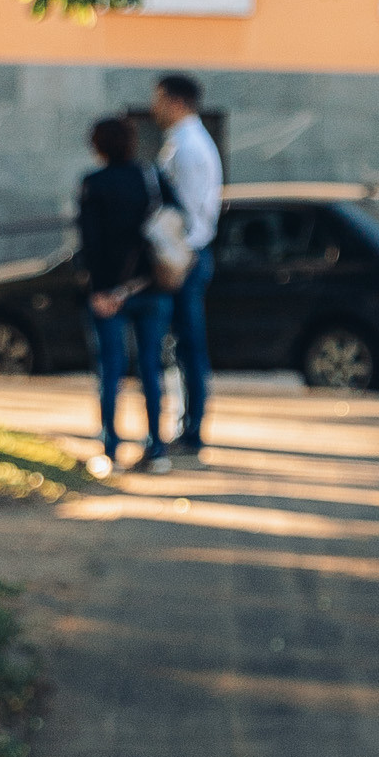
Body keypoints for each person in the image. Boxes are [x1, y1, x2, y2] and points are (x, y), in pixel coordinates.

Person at [77, 117, 170, 476]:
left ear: (98, 146)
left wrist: (101, 291)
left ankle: (110, 450)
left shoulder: (94, 183)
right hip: (152, 286)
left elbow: (91, 243)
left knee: (111, 369)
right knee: (151, 368)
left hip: (108, 293)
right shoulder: (150, 178)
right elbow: (173, 222)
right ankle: (157, 449)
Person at [152, 72, 222, 459]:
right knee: (183, 346)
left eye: (158, 99)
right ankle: (188, 426)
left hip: (186, 256)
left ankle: (192, 430)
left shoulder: (189, 147)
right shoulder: (187, 141)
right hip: (188, 254)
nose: (154, 107)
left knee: (189, 346)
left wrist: (179, 256)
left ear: (174, 100)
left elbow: (191, 212)